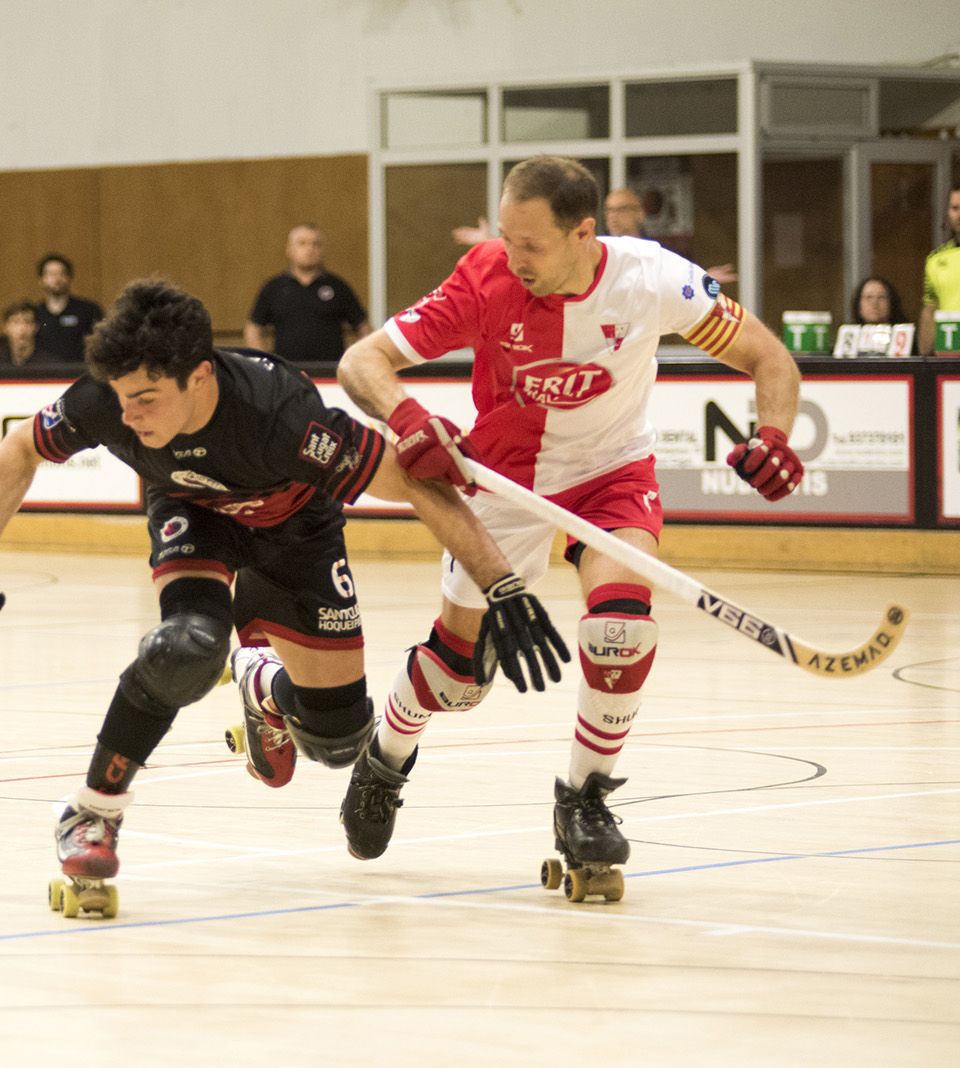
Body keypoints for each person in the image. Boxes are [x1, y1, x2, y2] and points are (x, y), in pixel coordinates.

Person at [0, 277, 567, 911]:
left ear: (201, 377)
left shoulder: (283, 416)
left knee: (338, 739)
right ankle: (93, 811)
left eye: (147, 400)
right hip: (193, 512)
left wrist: (499, 582)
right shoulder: (111, 397)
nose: (129, 418)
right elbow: (19, 450)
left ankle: (260, 680)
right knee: (186, 646)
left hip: (296, 531)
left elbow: (420, 486)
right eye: (123, 401)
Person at [335, 155, 802, 889]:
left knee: (620, 628)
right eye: (505, 238)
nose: (512, 257)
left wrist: (774, 435)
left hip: (611, 473)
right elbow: (364, 362)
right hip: (501, 479)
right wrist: (410, 415)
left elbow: (769, 358)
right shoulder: (485, 276)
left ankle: (585, 800)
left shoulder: (652, 279)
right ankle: (385, 758)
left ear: (585, 233)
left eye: (532, 244)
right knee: (457, 678)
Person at [458, 187, 735, 285]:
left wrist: (703, 279)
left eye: (622, 209)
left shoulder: (661, 251)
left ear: (639, 213)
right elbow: (550, 250)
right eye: (609, 210)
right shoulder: (593, 247)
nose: (613, 216)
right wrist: (491, 242)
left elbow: (677, 280)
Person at [244, 224, 369, 363]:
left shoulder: (338, 286)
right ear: (289, 249)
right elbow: (253, 328)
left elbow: (363, 327)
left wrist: (355, 360)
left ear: (322, 250)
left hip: (330, 373)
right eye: (302, 243)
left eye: (315, 244)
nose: (310, 249)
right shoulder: (274, 288)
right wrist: (264, 363)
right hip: (287, 372)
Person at [32, 254, 103, 362]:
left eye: (61, 273)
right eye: (51, 274)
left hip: (80, 372)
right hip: (44, 374)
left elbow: (101, 344)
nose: (57, 279)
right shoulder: (35, 313)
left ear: (69, 278)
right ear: (41, 280)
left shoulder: (88, 310)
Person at [918, 183, 960, 355]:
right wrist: (924, 363)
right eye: (955, 208)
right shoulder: (935, 259)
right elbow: (930, 309)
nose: (959, 214)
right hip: (948, 359)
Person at [0, 300, 42, 367]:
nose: (22, 328)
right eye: (16, 322)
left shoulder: (51, 366)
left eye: (27, 322)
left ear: (36, 327)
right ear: (5, 327)